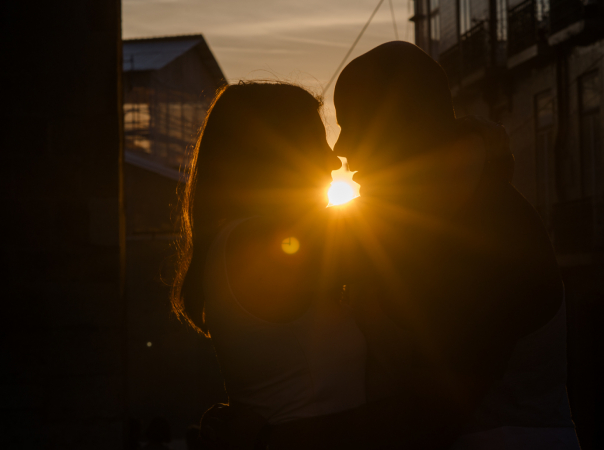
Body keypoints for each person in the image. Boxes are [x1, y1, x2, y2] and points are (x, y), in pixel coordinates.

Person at [175, 81, 462, 450]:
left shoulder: (240, 239)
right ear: (273, 152)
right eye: (317, 141)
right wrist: (463, 148)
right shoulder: (260, 241)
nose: (334, 159)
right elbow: (406, 218)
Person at [332, 41, 580, 449]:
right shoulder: (398, 220)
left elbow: (435, 412)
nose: (340, 150)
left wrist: (282, 435)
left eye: (352, 124)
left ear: (399, 124)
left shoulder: (493, 233)